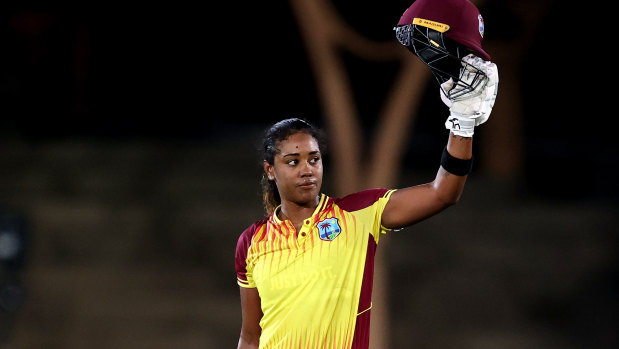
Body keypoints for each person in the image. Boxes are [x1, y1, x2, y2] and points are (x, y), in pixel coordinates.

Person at [235, 0, 498, 348]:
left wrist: (462, 123)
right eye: (293, 161)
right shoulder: (251, 243)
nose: (307, 170)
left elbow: (443, 193)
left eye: (314, 159)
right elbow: (250, 337)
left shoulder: (358, 214)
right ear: (270, 170)